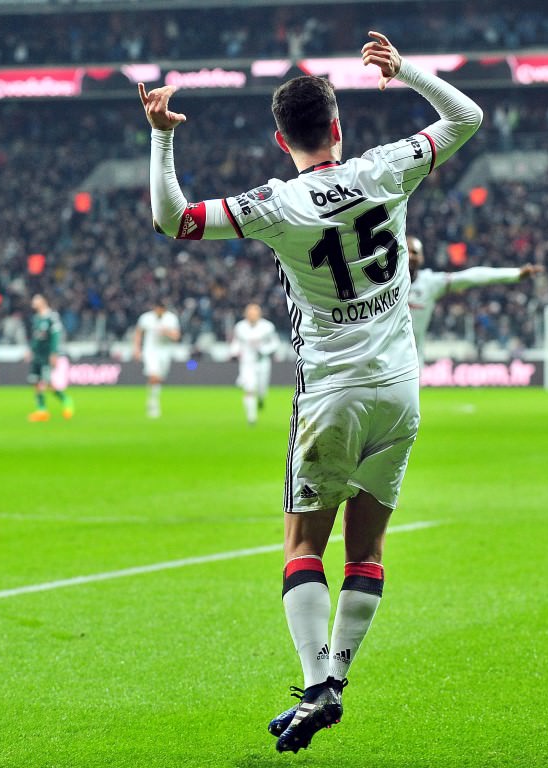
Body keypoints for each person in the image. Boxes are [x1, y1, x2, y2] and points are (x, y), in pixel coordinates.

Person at [140, 30, 482, 752]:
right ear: (337, 126)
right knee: (368, 549)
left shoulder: (275, 204)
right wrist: (404, 70)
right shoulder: (385, 168)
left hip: (330, 393)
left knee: (303, 544)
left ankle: (315, 680)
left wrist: (163, 138)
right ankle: (338, 679)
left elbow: (174, 220)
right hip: (400, 390)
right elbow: (466, 118)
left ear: (279, 138)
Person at [407, 235, 544, 370]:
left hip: (413, 364)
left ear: (422, 257)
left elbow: (472, 276)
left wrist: (515, 274)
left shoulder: (430, 283)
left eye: (414, 252)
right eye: (405, 251)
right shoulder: (392, 282)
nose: (410, 256)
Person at [25, 293, 74, 422]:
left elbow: (56, 336)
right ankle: (42, 410)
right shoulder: (36, 318)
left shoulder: (52, 317)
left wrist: (54, 353)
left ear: (43, 301)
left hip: (47, 355)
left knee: (46, 383)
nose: (33, 302)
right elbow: (35, 338)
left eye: (36, 300)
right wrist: (30, 350)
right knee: (36, 382)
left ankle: (65, 400)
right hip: (37, 355)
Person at [230, 303, 279, 425]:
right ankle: (251, 418)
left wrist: (265, 350)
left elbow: (275, 343)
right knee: (250, 388)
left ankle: (261, 399)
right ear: (246, 314)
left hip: (262, 361)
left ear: (259, 314)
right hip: (247, 362)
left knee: (262, 388)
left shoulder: (268, 327)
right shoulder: (240, 327)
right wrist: (234, 352)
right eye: (250, 313)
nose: (252, 316)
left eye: (254, 313)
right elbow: (236, 342)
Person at [132, 299, 181, 418]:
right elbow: (138, 333)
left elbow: (176, 336)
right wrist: (136, 349)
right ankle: (153, 403)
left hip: (165, 352)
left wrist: (166, 332)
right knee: (154, 375)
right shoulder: (146, 318)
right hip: (150, 350)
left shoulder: (171, 318)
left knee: (160, 378)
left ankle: (153, 397)